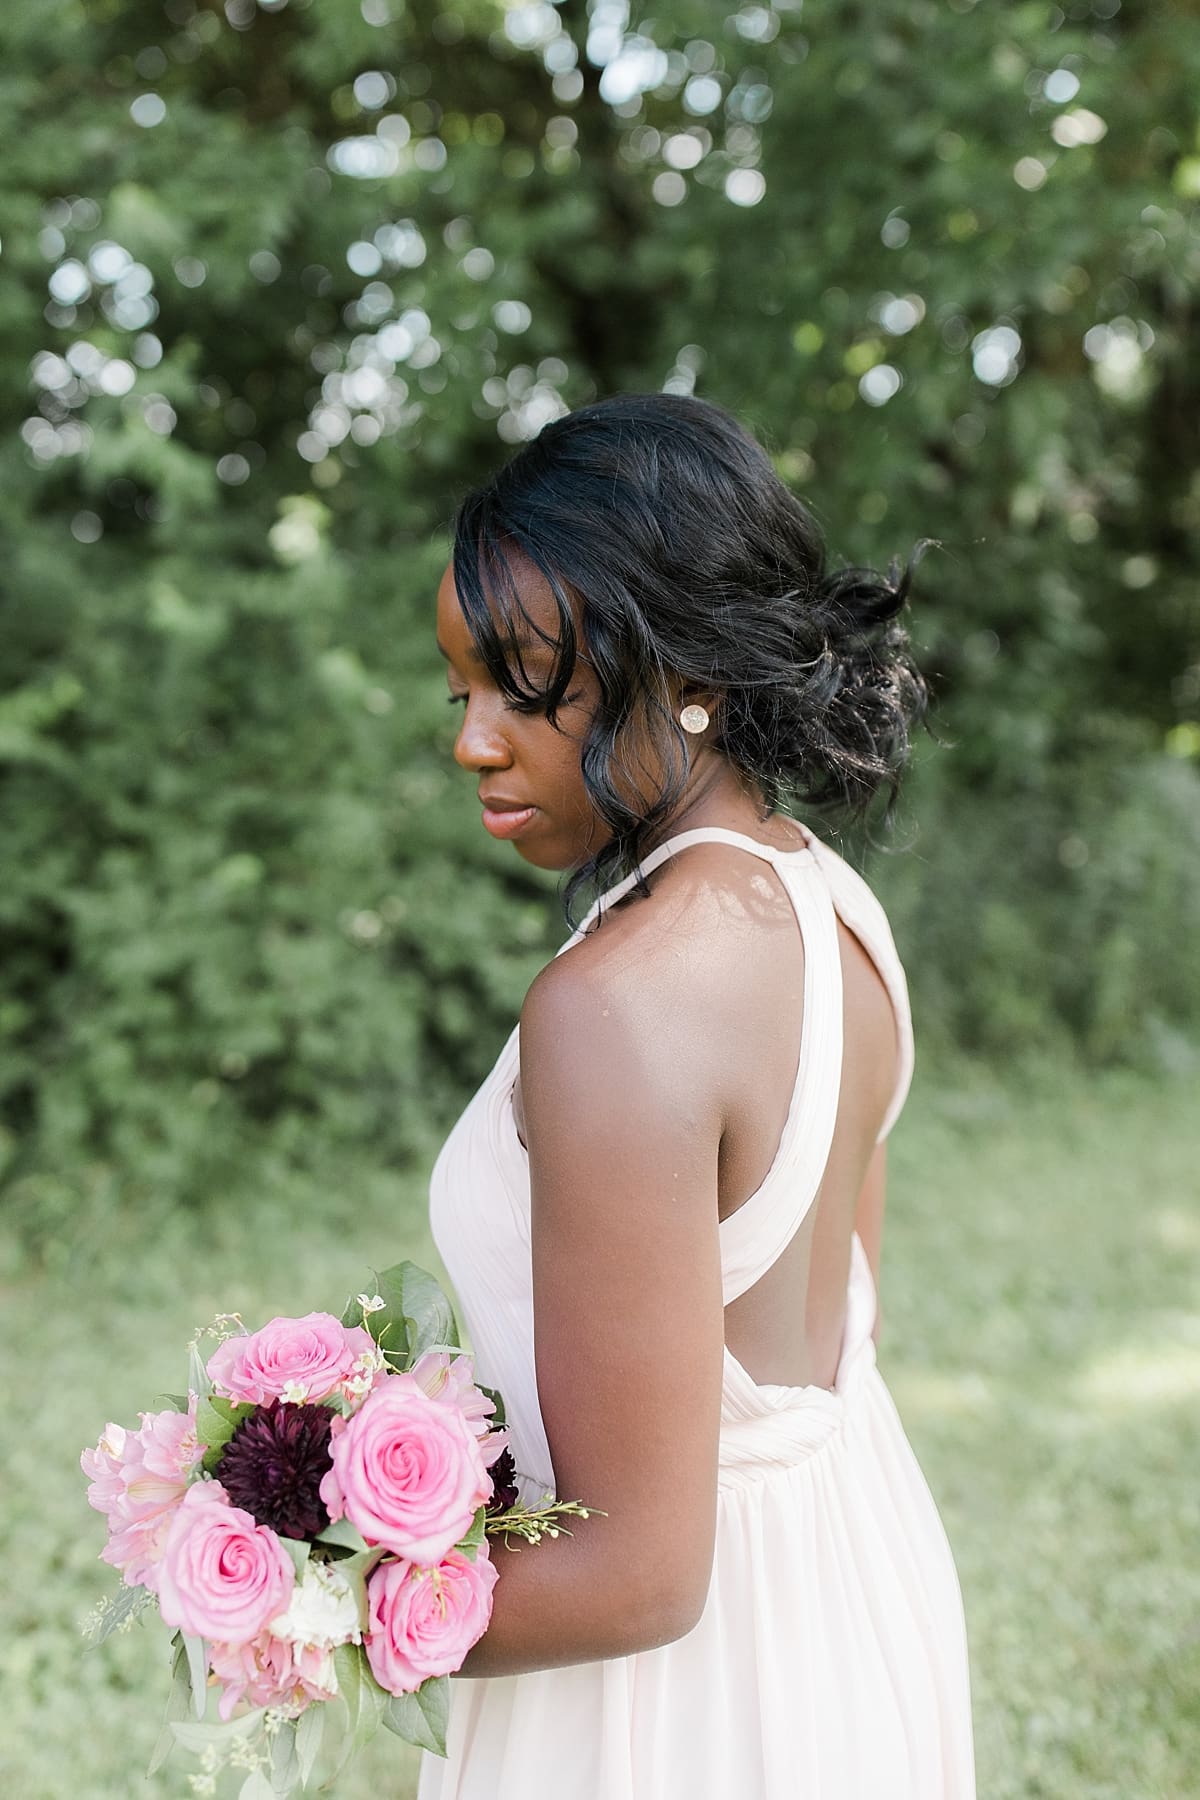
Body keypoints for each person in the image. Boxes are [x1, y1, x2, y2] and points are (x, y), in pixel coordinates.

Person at [418, 392, 975, 1798]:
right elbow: (838, 1307)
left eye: (523, 682)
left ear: (682, 669)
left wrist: (299, 1605)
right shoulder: (835, 911)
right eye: (459, 691)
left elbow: (640, 1577)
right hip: (855, 1607)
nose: (476, 741)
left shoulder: (612, 1011)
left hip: (670, 1714)